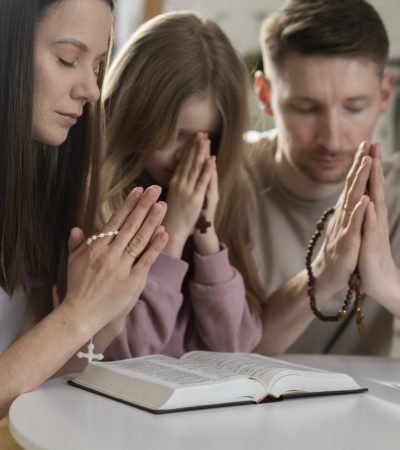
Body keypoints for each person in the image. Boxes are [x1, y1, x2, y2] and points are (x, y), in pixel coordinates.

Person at [0, 0, 168, 416]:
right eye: (67, 59)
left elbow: (32, 377)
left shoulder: (33, 181)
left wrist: (105, 316)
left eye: (95, 65)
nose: (92, 91)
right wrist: (79, 312)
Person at [99, 11, 263, 358]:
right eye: (175, 136)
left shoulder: (232, 193)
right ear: (134, 117)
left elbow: (236, 349)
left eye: (207, 139)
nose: (186, 158)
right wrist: (172, 234)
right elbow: (127, 351)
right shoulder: (100, 202)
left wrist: (205, 236)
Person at [247, 0, 400, 355]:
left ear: (384, 96)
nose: (331, 139)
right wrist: (323, 274)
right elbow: (216, 359)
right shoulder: (221, 179)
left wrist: (388, 283)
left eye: (354, 108)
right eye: (306, 108)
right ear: (265, 96)